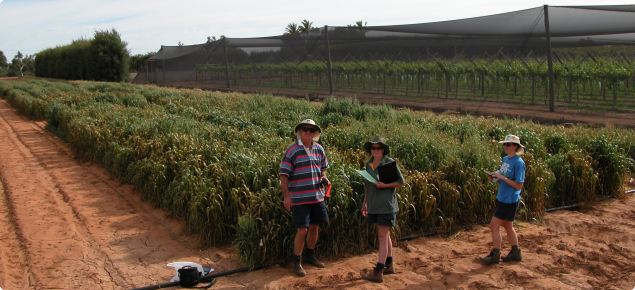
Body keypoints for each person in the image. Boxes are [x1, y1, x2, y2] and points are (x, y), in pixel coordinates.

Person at [279, 119, 330, 277]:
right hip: (299, 198)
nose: (308, 132)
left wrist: (323, 177)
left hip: (317, 197)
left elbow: (324, 168)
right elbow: (283, 175)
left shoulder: (319, 149)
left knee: (315, 227)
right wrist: (287, 197)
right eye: (305, 129)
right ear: (300, 131)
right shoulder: (292, 150)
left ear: (315, 133)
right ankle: (297, 261)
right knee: (302, 230)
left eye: (311, 130)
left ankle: (310, 255)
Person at [360, 135, 406, 283]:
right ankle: (389, 264)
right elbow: (368, 186)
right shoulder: (369, 164)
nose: (375, 150)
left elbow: (401, 182)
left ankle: (378, 271)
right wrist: (364, 203)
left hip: (386, 206)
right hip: (373, 205)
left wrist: (384, 185)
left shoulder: (389, 163)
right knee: (385, 236)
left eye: (378, 147)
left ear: (383, 149)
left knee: (382, 237)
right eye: (373, 148)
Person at [481, 134, 526, 265]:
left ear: (515, 147)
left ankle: (495, 255)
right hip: (503, 197)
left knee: (494, 226)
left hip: (509, 200)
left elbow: (519, 184)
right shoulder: (506, 159)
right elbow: (504, 177)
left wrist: (502, 178)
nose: (505, 146)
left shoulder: (518, 163)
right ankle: (515, 252)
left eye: (508, 144)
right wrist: (494, 178)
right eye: (505, 144)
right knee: (508, 226)